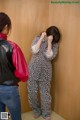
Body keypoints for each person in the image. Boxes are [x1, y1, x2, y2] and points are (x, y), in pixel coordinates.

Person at [28, 26, 60, 120]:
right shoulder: (38, 38)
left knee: (45, 93)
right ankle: (36, 110)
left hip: (46, 72)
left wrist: (50, 42)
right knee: (32, 92)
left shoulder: (55, 44)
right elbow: (34, 50)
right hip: (33, 69)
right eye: (50, 36)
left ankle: (46, 113)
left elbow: (49, 56)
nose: (51, 38)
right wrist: (41, 38)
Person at [0, 12, 29, 120]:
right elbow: (23, 74)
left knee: (1, 115)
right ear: (6, 27)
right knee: (15, 117)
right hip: (10, 91)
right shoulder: (13, 47)